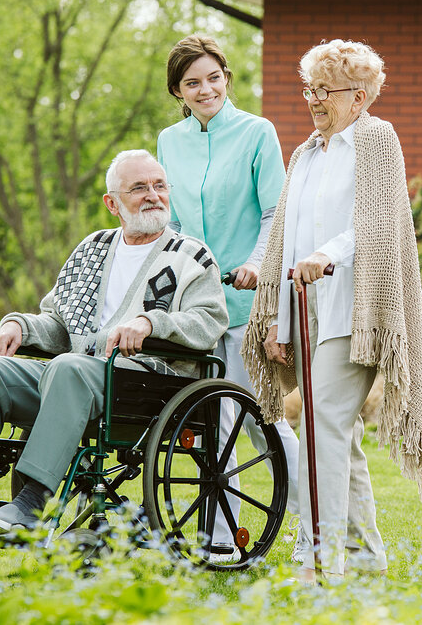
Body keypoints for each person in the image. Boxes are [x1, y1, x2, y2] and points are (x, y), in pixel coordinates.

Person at [0, 150, 228, 536]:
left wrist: (150, 322)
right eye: (139, 188)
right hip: (72, 379)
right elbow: (58, 320)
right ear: (112, 203)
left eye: (159, 185)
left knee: (68, 367)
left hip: (145, 384)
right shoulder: (92, 249)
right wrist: (19, 327)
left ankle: (32, 503)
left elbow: (210, 321)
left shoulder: (191, 255)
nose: (153, 195)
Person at [241, 39, 422, 580]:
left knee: (323, 426)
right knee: (336, 437)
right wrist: (275, 315)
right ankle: (368, 561)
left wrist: (328, 255)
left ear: (361, 95)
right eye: (310, 88)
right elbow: (284, 237)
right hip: (306, 310)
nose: (314, 99)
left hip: (358, 310)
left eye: (326, 90)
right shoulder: (305, 153)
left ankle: (321, 563)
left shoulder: (376, 139)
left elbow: (376, 222)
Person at [157, 34, 302, 558]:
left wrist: (259, 264)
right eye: (192, 83)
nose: (205, 89)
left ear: (226, 77)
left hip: (246, 303)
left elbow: (274, 214)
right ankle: (220, 541)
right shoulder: (169, 142)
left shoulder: (257, 132)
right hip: (198, 308)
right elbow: (171, 222)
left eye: (213, 78)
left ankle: (320, 521)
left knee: (260, 420)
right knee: (209, 422)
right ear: (178, 90)